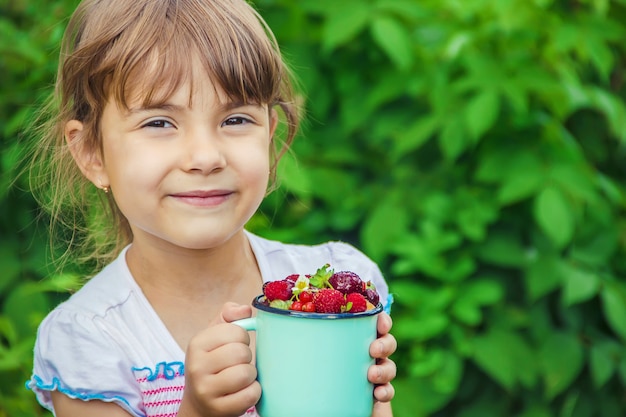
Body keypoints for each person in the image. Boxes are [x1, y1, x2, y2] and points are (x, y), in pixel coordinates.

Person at [25, 0, 397, 416]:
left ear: (270, 137)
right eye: (159, 122)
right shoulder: (89, 341)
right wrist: (196, 411)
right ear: (92, 153)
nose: (205, 157)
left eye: (235, 119)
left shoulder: (340, 288)